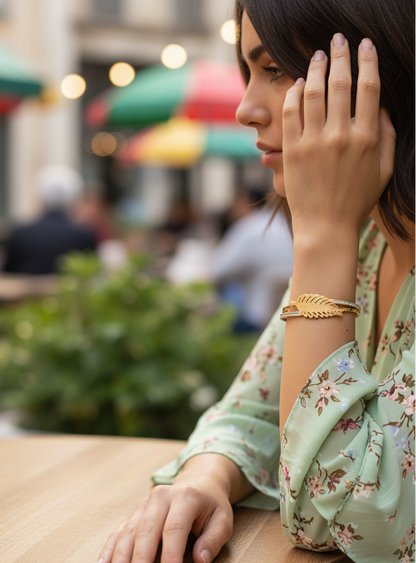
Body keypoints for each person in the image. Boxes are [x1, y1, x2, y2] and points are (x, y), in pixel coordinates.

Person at [98, 1, 416, 562]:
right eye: (249, 72)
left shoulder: (346, 239)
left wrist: (323, 232)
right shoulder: (370, 244)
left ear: (380, 73)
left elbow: (337, 518)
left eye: (274, 69)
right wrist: (203, 480)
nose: (246, 108)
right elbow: (253, 411)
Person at [210, 187, 293, 332]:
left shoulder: (248, 228)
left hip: (257, 320)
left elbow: (216, 272)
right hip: (293, 315)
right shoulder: (289, 224)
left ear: (248, 202)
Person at [2, 164, 96, 275]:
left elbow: (8, 273)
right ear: (73, 201)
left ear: (42, 199)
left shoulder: (19, 234)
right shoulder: (84, 236)